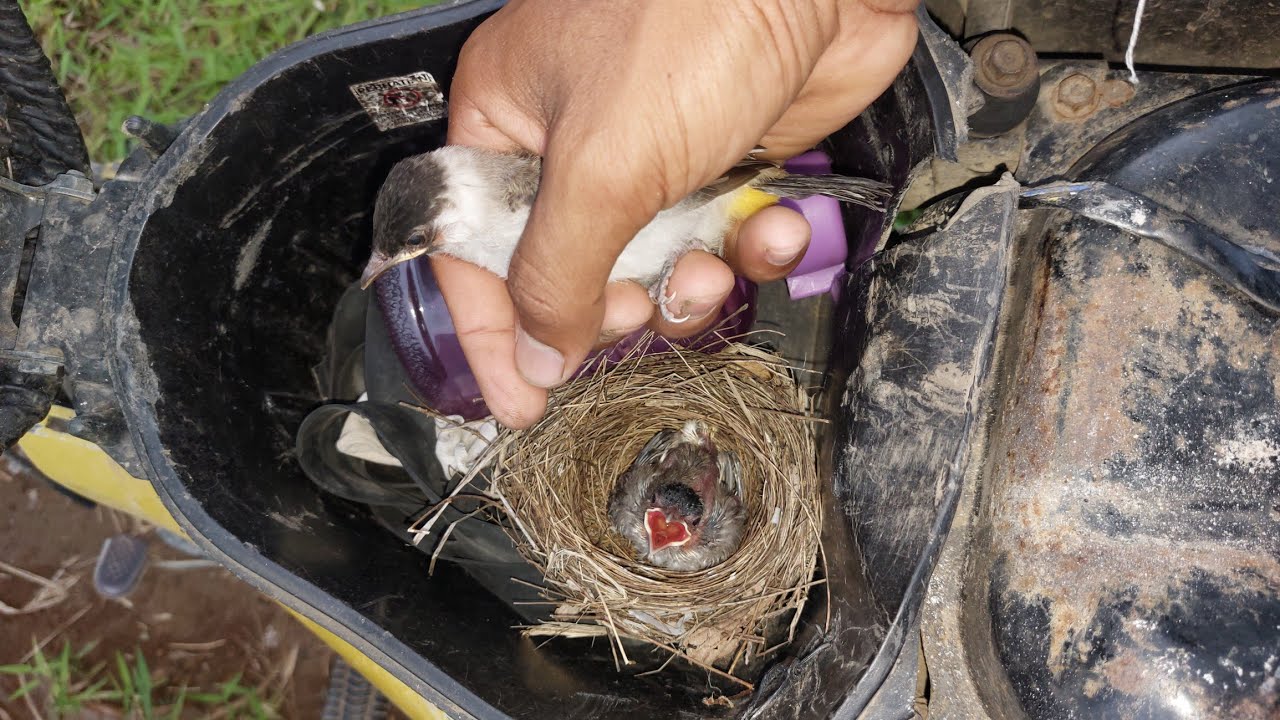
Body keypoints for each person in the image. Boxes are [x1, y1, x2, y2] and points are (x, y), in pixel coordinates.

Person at [436, 0, 920, 429]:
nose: (426, 251)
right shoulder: (490, 212)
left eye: (421, 239)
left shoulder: (512, 202)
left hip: (698, 195)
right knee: (695, 276)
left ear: (447, 213)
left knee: (679, 282)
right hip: (702, 200)